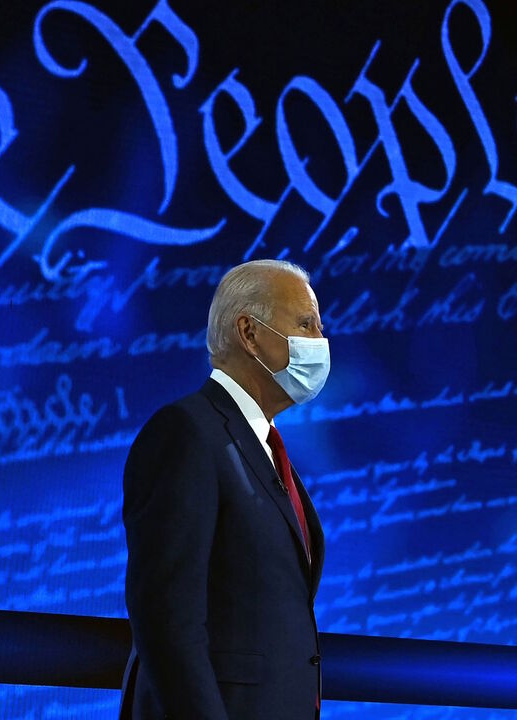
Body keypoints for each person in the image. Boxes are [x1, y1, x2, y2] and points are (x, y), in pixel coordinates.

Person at [118, 259, 329, 719]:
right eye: (307, 324)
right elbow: (167, 620)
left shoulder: (266, 446)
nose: (321, 342)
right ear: (249, 334)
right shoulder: (185, 433)